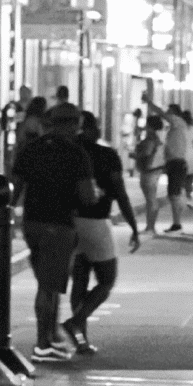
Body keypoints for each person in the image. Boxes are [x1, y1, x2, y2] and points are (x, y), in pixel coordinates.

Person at [13, 102, 96, 360]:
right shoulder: (76, 153)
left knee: (47, 281)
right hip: (59, 223)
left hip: (32, 222)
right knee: (49, 286)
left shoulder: (31, 149)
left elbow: (15, 186)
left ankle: (50, 337)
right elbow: (87, 196)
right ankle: (42, 343)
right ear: (73, 124)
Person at [66, 110, 141, 355]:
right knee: (107, 279)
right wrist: (133, 226)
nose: (99, 130)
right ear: (86, 128)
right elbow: (120, 192)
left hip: (70, 222)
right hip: (96, 222)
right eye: (95, 126)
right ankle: (76, 322)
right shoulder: (106, 155)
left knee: (80, 280)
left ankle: (81, 340)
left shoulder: (68, 154)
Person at [161, 106, 193, 232]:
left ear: (174, 114)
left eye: (169, 111)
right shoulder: (176, 127)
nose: (166, 113)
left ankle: (177, 223)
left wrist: (149, 102)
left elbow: (163, 114)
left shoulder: (178, 122)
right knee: (174, 193)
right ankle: (177, 221)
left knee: (174, 194)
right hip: (175, 162)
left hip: (177, 162)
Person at [134, 113, 166, 232]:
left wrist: (135, 155)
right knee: (151, 198)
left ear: (150, 126)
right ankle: (150, 226)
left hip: (148, 171)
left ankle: (150, 226)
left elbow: (146, 153)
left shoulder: (150, 139)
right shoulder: (157, 138)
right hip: (155, 170)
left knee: (151, 199)